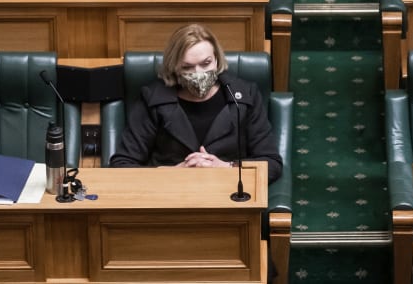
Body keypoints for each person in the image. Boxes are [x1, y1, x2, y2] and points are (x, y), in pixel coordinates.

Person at [109, 23, 283, 183]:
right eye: (187, 67)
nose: (199, 73)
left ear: (216, 60)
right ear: (174, 67)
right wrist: (175, 172)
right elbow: (122, 165)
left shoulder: (244, 96)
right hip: (170, 194)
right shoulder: (153, 99)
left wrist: (226, 167)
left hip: (228, 193)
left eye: (206, 63)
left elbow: (271, 164)